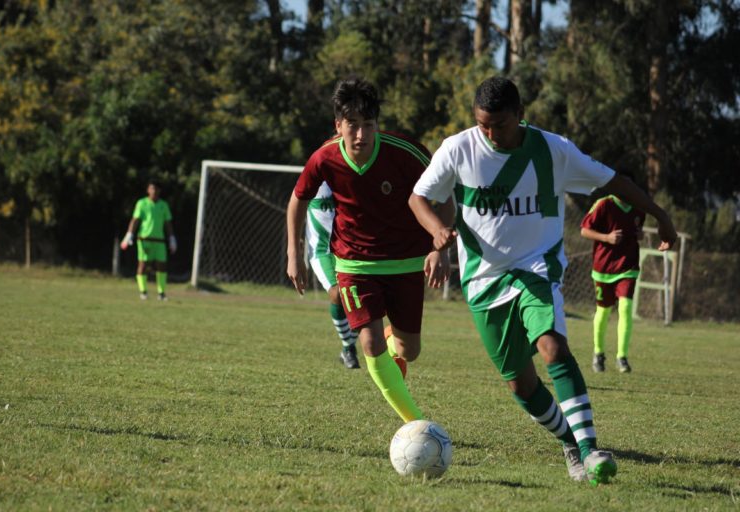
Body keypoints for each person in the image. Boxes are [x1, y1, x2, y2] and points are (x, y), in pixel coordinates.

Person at [408, 76, 677, 485]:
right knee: (521, 384)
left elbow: (612, 180)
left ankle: (589, 450)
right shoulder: (458, 148)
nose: (490, 133)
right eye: (483, 124)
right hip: (483, 281)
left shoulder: (553, 149)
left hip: (536, 268)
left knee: (553, 346)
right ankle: (570, 441)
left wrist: (661, 214)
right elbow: (418, 197)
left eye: (499, 124)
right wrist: (436, 234)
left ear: (520, 115)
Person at [286, 77, 453, 424]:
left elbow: (446, 196)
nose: (361, 135)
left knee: (410, 350)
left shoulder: (406, 153)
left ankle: (394, 341)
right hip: (354, 263)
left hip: (406, 261)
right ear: (338, 125)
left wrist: (441, 249)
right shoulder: (324, 158)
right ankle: (417, 424)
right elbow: (297, 200)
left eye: (369, 126)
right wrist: (294, 254)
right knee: (369, 342)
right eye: (353, 126)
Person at [580, 172, 646, 374]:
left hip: (628, 266)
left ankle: (622, 358)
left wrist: (640, 235)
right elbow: (584, 230)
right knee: (604, 311)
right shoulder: (603, 205)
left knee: (625, 308)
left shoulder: (638, 208)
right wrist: (606, 238)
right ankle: (598, 354)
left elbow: (637, 230)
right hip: (603, 268)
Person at [306, 181, 360, 369]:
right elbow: (295, 206)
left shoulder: (351, 178)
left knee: (364, 299)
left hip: (350, 251)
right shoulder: (315, 178)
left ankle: (348, 348)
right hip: (322, 252)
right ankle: (349, 348)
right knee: (337, 293)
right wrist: (294, 247)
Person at [120, 181, 177, 300]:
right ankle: (143, 291)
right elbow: (135, 220)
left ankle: (161, 293)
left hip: (159, 240)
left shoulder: (163, 205)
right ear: (148, 190)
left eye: (156, 189)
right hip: (144, 239)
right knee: (143, 265)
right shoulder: (142, 203)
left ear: (159, 190)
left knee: (162, 265)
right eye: (152, 189)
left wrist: (172, 238)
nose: (154, 191)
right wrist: (129, 235)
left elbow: (168, 223)